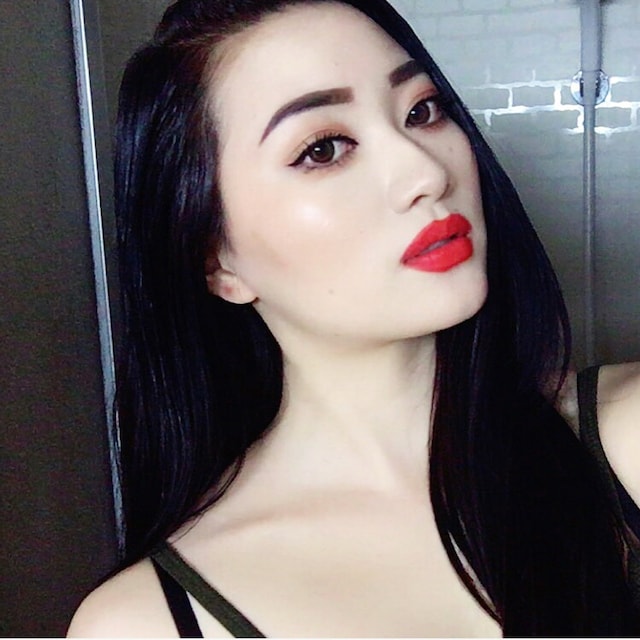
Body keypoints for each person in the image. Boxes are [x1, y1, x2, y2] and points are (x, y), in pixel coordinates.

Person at [68, 0, 640, 636]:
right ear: (216, 258)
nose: (425, 171)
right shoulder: (145, 623)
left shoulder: (623, 438)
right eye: (323, 149)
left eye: (421, 111)